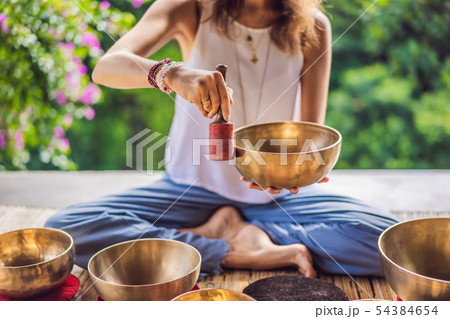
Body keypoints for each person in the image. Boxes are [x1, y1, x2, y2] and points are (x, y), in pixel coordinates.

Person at [45, 0, 398, 277]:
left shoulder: (315, 27)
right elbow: (107, 67)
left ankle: (256, 239)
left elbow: (310, 134)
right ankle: (226, 245)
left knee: (393, 243)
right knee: (65, 229)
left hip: (275, 200)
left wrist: (298, 169)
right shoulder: (190, 8)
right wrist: (170, 74)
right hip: (189, 188)